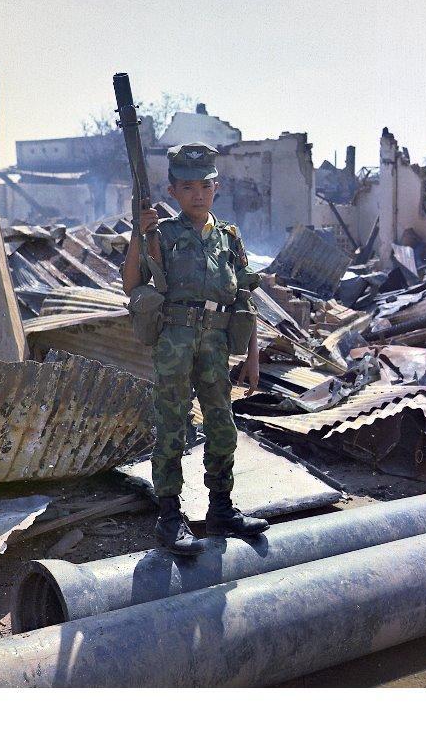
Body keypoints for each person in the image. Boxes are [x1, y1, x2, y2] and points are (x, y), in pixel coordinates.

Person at [122, 142, 269, 554]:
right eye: (187, 187)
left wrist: (253, 356)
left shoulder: (228, 239)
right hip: (175, 341)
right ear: (174, 193)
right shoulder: (162, 235)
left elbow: (245, 296)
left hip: (216, 344)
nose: (197, 194)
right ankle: (170, 518)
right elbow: (132, 283)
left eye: (205, 185)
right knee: (171, 425)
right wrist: (139, 232)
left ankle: (221, 508)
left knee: (222, 426)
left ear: (216, 187)